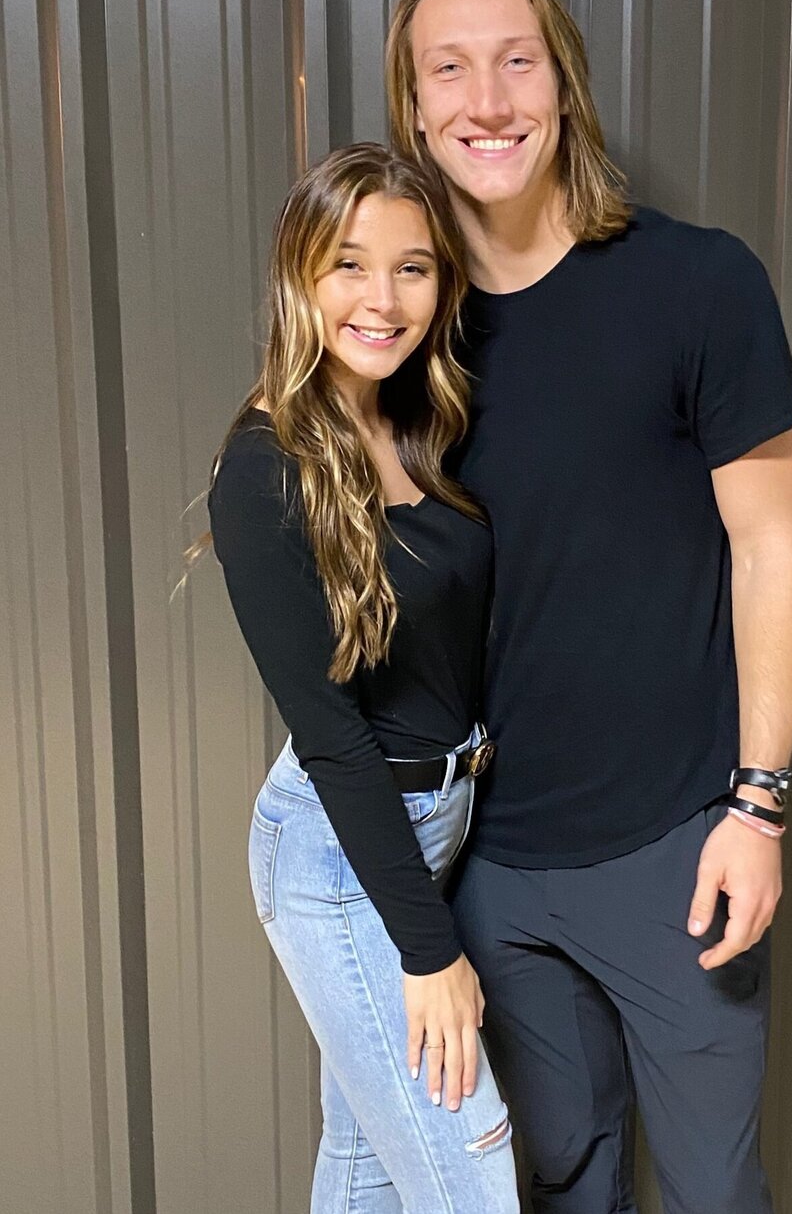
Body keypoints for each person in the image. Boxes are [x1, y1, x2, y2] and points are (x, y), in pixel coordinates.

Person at [385, 0, 792, 1213]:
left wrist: (758, 808)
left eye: (516, 62)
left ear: (562, 85)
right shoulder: (399, 330)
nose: (487, 101)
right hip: (486, 863)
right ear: (414, 109)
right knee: (565, 1184)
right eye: (448, 71)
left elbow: (775, 547)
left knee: (712, 1190)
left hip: (678, 848)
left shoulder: (699, 283)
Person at [204, 143, 518, 1213]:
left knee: (366, 1161)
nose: (381, 301)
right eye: (349, 264)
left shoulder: (418, 423)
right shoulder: (264, 468)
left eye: (411, 268)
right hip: (340, 849)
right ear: (300, 273)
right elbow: (334, 735)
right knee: (471, 1172)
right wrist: (431, 954)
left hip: (439, 820)